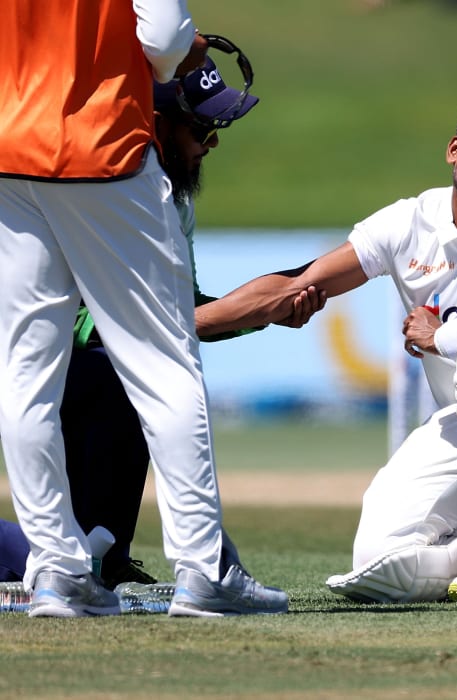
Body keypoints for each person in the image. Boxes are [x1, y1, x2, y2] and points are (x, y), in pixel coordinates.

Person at [194, 96, 457, 603]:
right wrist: (188, 325)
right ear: (455, 151)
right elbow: (300, 282)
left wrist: (444, 336)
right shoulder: (407, 224)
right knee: (376, 555)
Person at [0, 1, 296, 617]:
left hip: (11, 147)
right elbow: (163, 38)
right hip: (103, 144)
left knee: (26, 374)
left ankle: (57, 570)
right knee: (164, 366)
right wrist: (175, 57)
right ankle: (204, 568)